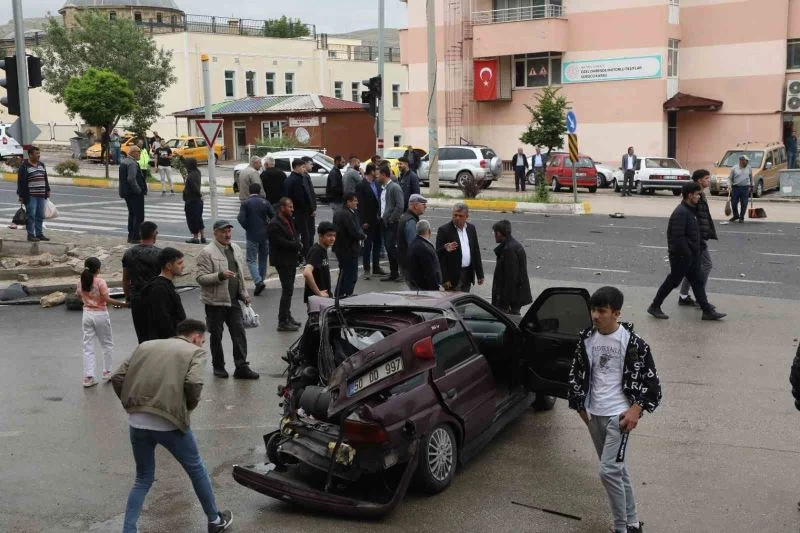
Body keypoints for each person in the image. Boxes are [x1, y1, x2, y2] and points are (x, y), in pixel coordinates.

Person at [111, 318, 234, 533]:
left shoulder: (145, 346)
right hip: (170, 422)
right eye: (202, 341)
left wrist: (130, 404)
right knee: (196, 469)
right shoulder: (194, 353)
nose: (202, 345)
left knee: (143, 478)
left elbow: (118, 376)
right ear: (195, 337)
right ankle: (214, 521)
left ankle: (128, 530)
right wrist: (188, 407)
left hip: (137, 420)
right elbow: (194, 383)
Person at [568, 286, 661, 533]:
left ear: (616, 313)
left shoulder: (633, 344)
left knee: (608, 471)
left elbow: (652, 384)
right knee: (618, 471)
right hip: (593, 416)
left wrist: (635, 410)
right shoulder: (586, 339)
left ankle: (621, 528)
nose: (595, 316)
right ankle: (632, 523)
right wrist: (580, 408)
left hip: (618, 417)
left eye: (601, 311)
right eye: (593, 310)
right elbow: (576, 374)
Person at [647, 182, 726, 321]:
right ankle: (655, 306)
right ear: (689, 195)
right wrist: (688, 254)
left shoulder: (690, 210)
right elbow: (677, 237)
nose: (698, 197)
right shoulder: (681, 212)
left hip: (691, 255)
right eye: (696, 194)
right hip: (682, 256)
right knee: (673, 281)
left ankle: (707, 311)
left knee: (697, 281)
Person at [195, 220, 259, 379]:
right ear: (215, 232)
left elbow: (240, 275)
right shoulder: (206, 252)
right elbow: (200, 278)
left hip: (233, 300)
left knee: (239, 333)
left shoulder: (235, 248)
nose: (227, 234)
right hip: (214, 302)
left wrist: (244, 293)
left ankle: (241, 366)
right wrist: (220, 275)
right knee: (216, 335)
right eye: (223, 231)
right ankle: (218, 366)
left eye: (229, 231)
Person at [77, 257, 128, 388]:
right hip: (100, 314)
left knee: (88, 346)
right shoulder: (100, 282)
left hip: (86, 314)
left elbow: (78, 295)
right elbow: (106, 299)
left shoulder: (81, 281)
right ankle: (107, 372)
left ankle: (88, 377)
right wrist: (123, 304)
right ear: (98, 269)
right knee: (107, 344)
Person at [677, 170, 716, 307]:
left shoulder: (700, 194)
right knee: (706, 265)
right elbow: (693, 217)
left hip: (699, 236)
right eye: (706, 178)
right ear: (699, 180)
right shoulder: (694, 195)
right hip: (696, 238)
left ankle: (683, 295)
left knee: (692, 267)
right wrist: (698, 237)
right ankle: (701, 298)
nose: (709, 180)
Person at [122, 221, 161, 343]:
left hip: (137, 298)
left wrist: (128, 297)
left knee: (142, 335)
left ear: (140, 234)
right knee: (157, 335)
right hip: (156, 298)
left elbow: (125, 279)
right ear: (154, 234)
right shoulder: (160, 254)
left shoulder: (129, 253)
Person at [267, 197, 302, 331]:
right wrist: (296, 245)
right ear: (282, 208)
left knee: (289, 290)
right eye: (289, 207)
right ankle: (282, 321)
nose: (292, 209)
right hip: (283, 261)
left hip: (291, 259)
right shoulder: (274, 224)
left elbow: (293, 235)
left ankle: (287, 315)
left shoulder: (288, 220)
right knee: (287, 290)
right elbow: (279, 242)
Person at [139, 247, 187, 342]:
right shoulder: (159, 288)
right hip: (167, 342)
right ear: (168, 266)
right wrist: (175, 339)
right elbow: (163, 319)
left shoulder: (165, 284)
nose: (183, 266)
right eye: (179, 263)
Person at [436, 203, 485, 292]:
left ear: (466, 216)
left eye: (460, 216)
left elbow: (476, 251)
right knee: (452, 304)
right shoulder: (444, 230)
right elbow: (438, 255)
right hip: (452, 277)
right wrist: (445, 279)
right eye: (455, 215)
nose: (457, 218)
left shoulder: (471, 228)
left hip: (467, 274)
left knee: (464, 302)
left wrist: (480, 274)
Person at [237, 182, 275, 296]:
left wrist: (247, 226)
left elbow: (241, 218)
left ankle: (258, 281)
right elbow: (274, 216)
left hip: (252, 235)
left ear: (250, 191)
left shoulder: (246, 203)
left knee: (251, 260)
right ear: (259, 191)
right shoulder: (265, 202)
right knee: (263, 259)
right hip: (265, 235)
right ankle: (261, 281)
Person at [491, 220, 532, 315]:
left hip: (511, 300)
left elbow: (511, 279)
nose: (494, 235)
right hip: (515, 297)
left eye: (494, 232)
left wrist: (505, 304)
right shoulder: (514, 245)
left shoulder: (509, 250)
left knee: (510, 323)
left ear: (499, 233)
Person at [356, 163, 385, 280]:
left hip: (378, 219)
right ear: (371, 171)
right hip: (368, 220)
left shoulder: (377, 183)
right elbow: (360, 205)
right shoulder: (361, 185)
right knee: (368, 245)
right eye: (376, 170)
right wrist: (363, 221)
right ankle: (367, 269)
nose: (378, 173)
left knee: (378, 243)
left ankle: (376, 267)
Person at [16, 145, 51, 242]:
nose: (39, 155)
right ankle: (31, 235)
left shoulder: (41, 165)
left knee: (40, 215)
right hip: (31, 196)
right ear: (30, 155)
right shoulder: (24, 166)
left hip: (41, 195)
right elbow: (21, 182)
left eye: (39, 153)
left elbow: (45, 178)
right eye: (37, 153)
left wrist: (47, 190)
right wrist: (21, 195)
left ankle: (39, 234)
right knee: (31, 215)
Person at [332, 193, 364, 298]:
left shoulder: (339, 213)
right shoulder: (347, 214)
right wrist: (363, 236)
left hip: (341, 248)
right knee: (350, 274)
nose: (357, 203)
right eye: (354, 201)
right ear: (348, 202)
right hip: (348, 249)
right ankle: (346, 296)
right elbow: (353, 231)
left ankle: (339, 295)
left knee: (343, 273)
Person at [284, 159, 316, 262]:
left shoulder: (297, 178)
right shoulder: (296, 180)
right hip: (299, 212)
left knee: (297, 235)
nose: (304, 169)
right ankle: (304, 256)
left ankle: (299, 256)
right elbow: (300, 197)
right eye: (302, 167)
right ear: (296, 167)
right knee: (303, 236)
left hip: (298, 212)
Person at [377, 166, 404, 282]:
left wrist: (392, 219)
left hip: (392, 223)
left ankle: (402, 273)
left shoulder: (394, 187)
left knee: (392, 248)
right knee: (389, 248)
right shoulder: (384, 188)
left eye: (378, 174)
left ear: (384, 174)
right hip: (385, 222)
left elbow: (400, 206)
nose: (376, 176)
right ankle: (393, 273)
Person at [397, 194, 427, 287]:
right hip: (411, 265)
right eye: (423, 204)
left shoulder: (406, 217)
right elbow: (414, 246)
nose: (425, 206)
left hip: (406, 263)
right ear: (415, 205)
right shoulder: (411, 222)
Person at [119, 145, 147, 244]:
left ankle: (131, 236)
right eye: (138, 152)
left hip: (127, 193)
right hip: (134, 194)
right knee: (138, 215)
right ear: (133, 153)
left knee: (132, 214)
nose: (139, 154)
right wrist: (138, 190)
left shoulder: (124, 162)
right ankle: (136, 237)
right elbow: (131, 179)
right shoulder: (132, 163)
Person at [304, 221, 335, 304]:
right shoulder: (316, 251)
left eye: (334, 235)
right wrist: (318, 293)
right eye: (329, 235)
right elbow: (307, 273)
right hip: (317, 299)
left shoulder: (322, 250)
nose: (332, 238)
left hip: (323, 297)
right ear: (320, 236)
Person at [406, 219, 441, 291]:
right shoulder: (425, 248)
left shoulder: (415, 243)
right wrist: (435, 289)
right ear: (429, 231)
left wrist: (443, 249)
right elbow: (430, 272)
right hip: (424, 287)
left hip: (415, 283)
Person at [183, 157, 206, 244]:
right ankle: (203, 236)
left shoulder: (191, 175)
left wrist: (200, 194)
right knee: (199, 218)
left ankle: (195, 238)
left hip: (192, 200)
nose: (185, 166)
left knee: (192, 219)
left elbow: (194, 188)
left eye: (186, 164)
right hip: (197, 201)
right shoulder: (197, 172)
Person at [729, 154, 753, 223]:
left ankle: (741, 217)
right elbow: (730, 178)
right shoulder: (734, 168)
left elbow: (751, 177)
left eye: (747, 161)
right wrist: (729, 185)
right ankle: (736, 215)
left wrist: (752, 185)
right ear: (741, 161)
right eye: (746, 161)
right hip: (736, 187)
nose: (747, 162)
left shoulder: (749, 168)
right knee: (733, 203)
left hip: (745, 188)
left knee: (744, 203)